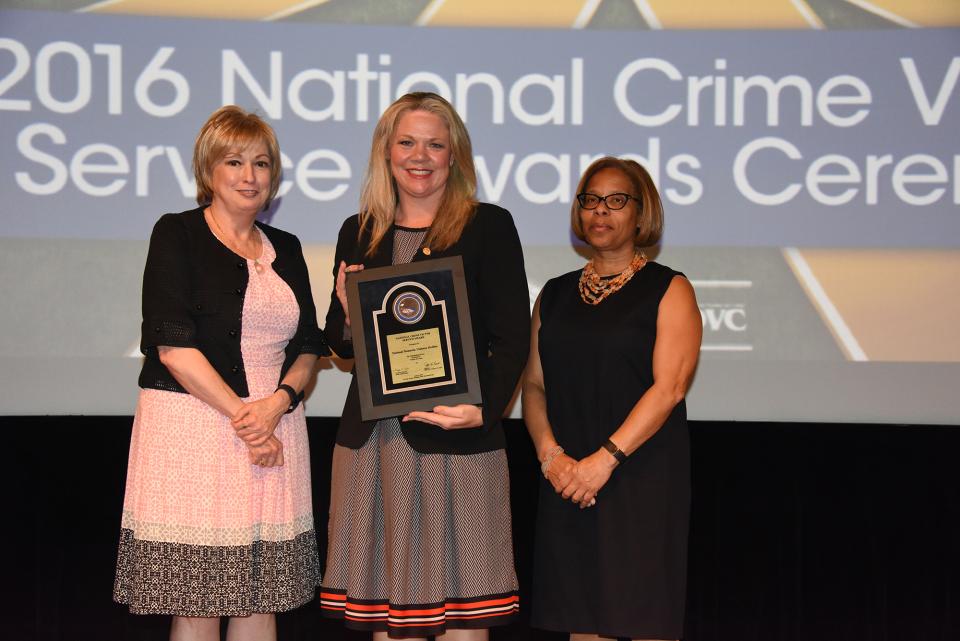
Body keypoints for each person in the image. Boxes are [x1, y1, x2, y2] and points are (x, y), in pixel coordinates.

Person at [113, 105, 328, 641]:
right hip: (195, 429)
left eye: (261, 163)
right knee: (200, 598)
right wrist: (244, 416)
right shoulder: (177, 233)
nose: (249, 176)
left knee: (260, 597)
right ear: (209, 171)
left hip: (275, 429)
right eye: (234, 162)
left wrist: (275, 405)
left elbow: (308, 346)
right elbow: (172, 346)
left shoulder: (291, 249)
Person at [320, 92, 529, 639]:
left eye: (436, 144)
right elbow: (339, 347)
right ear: (386, 153)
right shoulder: (358, 230)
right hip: (374, 444)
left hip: (456, 440)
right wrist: (347, 313)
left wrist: (481, 412)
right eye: (407, 142)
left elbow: (512, 338)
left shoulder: (489, 227)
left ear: (455, 156)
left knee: (465, 614)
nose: (421, 155)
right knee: (389, 619)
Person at [522, 157, 702, 641]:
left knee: (641, 617)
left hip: (638, 476)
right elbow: (534, 386)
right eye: (590, 200)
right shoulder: (555, 295)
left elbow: (670, 388)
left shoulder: (670, 289)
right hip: (566, 478)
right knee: (580, 619)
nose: (601, 211)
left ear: (642, 214)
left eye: (616, 200)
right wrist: (552, 457)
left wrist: (604, 461)